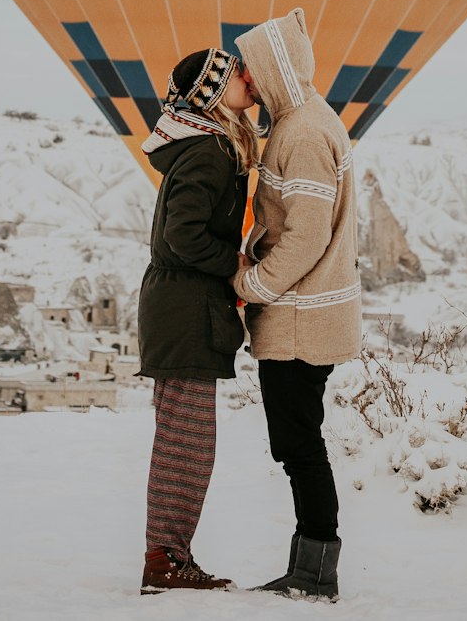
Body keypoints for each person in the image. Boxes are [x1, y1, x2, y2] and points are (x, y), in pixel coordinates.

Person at [232, 8, 361, 603]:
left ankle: (314, 574)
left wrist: (252, 286)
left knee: (300, 447)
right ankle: (307, 569)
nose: (246, 82)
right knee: (298, 445)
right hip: (302, 314)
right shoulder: (303, 122)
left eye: (252, 71)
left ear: (274, 71)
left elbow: (306, 236)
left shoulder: (304, 133)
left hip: (299, 319)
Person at [137, 45, 260, 595]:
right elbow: (181, 237)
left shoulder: (201, 147)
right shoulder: (209, 150)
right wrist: (232, 267)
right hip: (187, 309)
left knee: (181, 440)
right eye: (235, 75)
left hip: (179, 305)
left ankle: (169, 556)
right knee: (187, 444)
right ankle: (165, 561)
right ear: (210, 93)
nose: (247, 80)